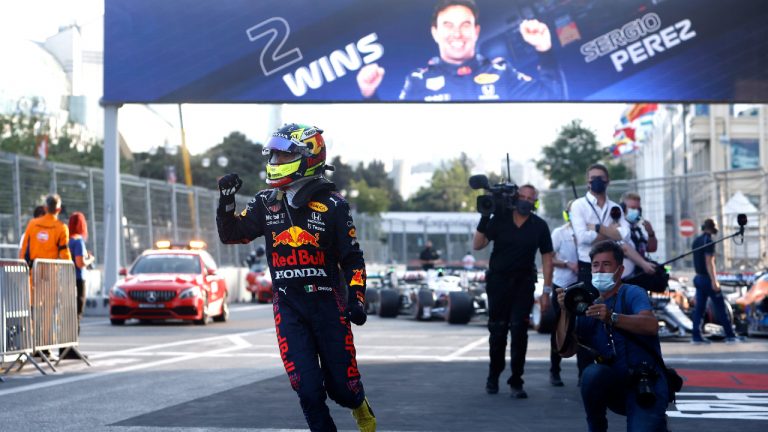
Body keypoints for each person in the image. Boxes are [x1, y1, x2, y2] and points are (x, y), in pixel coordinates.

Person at [216, 123, 376, 432]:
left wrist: (356, 299)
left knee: (342, 389)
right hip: (289, 307)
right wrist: (226, 201)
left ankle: (360, 406)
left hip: (329, 306)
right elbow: (232, 234)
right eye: (272, 157)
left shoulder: (334, 206)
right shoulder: (265, 202)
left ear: (308, 157)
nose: (274, 163)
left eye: (281, 156)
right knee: (308, 391)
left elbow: (352, 258)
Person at [556, 241, 669, 432]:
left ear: (620, 270)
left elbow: (651, 326)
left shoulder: (632, 293)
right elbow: (565, 350)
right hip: (614, 385)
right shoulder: (588, 307)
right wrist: (565, 311)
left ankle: (656, 423)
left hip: (645, 383)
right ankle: (596, 427)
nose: (600, 270)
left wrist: (612, 317)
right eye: (595, 265)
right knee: (591, 374)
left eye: (606, 264)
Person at [356, 0, 563, 101]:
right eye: (448, 25)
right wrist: (369, 94)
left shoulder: (500, 71)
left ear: (476, 31)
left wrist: (543, 50)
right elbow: (396, 128)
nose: (457, 33)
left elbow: (553, 97)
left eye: (465, 25)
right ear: (435, 32)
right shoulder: (417, 80)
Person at [473, 184, 553, 398]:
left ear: (535, 202)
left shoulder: (539, 225)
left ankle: (516, 380)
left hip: (524, 283)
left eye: (530, 198)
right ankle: (493, 375)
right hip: (498, 282)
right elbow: (478, 244)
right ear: (515, 198)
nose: (526, 201)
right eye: (523, 197)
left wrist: (547, 290)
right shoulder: (500, 219)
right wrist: (484, 217)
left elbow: (547, 256)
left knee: (519, 332)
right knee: (497, 331)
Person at [569, 163, 631, 379]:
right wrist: (611, 234)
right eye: (593, 177)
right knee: (586, 318)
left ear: (608, 181)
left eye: (600, 177)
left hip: (612, 269)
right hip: (589, 267)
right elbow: (581, 237)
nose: (596, 181)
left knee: (612, 315)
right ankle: (584, 373)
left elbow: (625, 235)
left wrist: (595, 228)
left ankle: (614, 368)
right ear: (587, 181)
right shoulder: (578, 206)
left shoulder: (616, 207)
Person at [690, 218, 742, 345]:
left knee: (699, 308)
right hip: (707, 279)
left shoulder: (696, 241)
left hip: (698, 278)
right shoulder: (709, 241)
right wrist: (714, 281)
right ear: (712, 228)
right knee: (720, 307)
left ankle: (696, 336)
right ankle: (730, 335)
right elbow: (709, 262)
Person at [547, 200, 579, 387]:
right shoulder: (559, 233)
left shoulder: (588, 235)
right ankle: (554, 371)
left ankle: (583, 372)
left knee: (582, 328)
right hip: (562, 285)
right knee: (558, 328)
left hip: (580, 286)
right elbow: (550, 257)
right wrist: (567, 264)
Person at [20, 194, 72, 266]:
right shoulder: (62, 228)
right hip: (52, 272)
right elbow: (64, 252)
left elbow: (24, 248)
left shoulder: (32, 223)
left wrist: (23, 267)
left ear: (45, 208)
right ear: (59, 210)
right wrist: (70, 268)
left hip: (34, 271)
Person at [67, 212, 94, 337]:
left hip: (65, 278)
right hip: (78, 279)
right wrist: (90, 259)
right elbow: (80, 263)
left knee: (67, 313)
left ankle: (65, 347)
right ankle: (72, 345)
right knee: (77, 312)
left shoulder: (66, 240)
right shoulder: (78, 241)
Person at [620, 192, 657, 257]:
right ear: (622, 209)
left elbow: (652, 249)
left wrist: (650, 233)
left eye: (638, 209)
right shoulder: (618, 230)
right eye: (633, 208)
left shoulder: (637, 230)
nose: (636, 211)